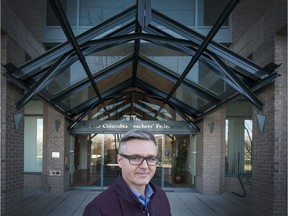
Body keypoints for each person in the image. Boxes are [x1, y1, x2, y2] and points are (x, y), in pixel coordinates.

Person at [83, 129, 172, 216]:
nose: (145, 166)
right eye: (135, 158)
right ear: (119, 160)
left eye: (151, 158)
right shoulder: (97, 210)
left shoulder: (161, 195)